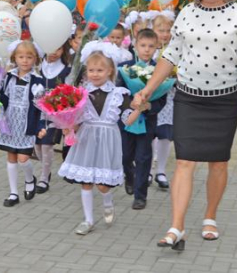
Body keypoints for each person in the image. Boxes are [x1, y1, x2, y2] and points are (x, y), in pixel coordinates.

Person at [133, 0, 237, 251]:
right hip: (189, 97)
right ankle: (177, 226)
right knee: (185, 160)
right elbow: (170, 55)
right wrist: (147, 91)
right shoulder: (187, 13)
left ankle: (210, 216)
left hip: (225, 98)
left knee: (218, 160)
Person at [58, 41, 144, 235]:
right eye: (91, 70)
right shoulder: (80, 94)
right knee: (86, 181)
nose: (95, 74)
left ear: (110, 70)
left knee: (103, 184)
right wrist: (67, 126)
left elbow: (127, 120)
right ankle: (88, 220)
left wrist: (138, 109)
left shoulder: (119, 94)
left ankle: (108, 200)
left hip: (107, 141)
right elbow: (76, 118)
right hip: (86, 139)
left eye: (100, 70)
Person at [117, 29, 166, 210]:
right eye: (143, 45)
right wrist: (131, 104)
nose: (146, 50)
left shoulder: (160, 70)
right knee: (126, 156)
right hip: (127, 121)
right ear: (135, 46)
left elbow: (162, 99)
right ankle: (129, 176)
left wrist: (148, 106)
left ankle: (140, 196)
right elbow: (119, 92)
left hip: (147, 121)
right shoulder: (125, 67)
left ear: (157, 48)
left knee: (144, 158)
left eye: (151, 46)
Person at [0, 40, 46, 207]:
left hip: (26, 125)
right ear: (14, 58)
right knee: (11, 157)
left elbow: (41, 107)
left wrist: (41, 127)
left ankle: (29, 178)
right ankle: (13, 193)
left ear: (35, 59)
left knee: (23, 159)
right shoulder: (8, 77)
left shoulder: (37, 80)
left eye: (29, 57)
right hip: (10, 122)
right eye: (21, 57)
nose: (25, 60)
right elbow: (3, 98)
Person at [34, 41, 72, 194]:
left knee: (47, 145)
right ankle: (46, 168)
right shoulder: (36, 67)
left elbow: (70, 92)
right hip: (37, 113)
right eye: (51, 47)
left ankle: (44, 178)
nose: (54, 52)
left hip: (56, 116)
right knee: (37, 146)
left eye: (58, 48)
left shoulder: (67, 70)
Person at [151, 13, 176, 191]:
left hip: (169, 98)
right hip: (152, 97)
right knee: (151, 134)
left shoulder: (174, 49)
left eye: (168, 31)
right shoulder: (148, 49)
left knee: (165, 134)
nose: (165, 34)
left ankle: (161, 170)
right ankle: (148, 171)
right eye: (161, 30)